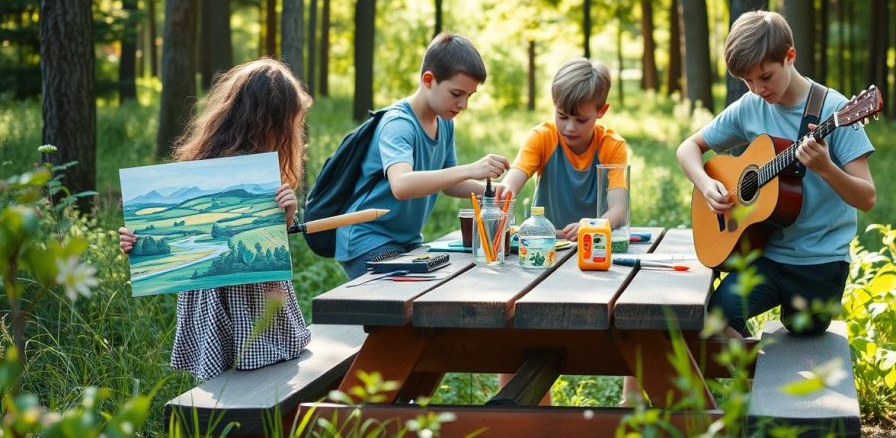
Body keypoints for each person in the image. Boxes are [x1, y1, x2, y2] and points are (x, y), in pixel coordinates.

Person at [676, 10, 876, 339]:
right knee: (714, 319)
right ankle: (754, 379)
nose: (757, 88)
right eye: (747, 81)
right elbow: (688, 148)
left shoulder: (836, 111)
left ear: (790, 56)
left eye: (765, 77)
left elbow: (867, 197)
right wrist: (706, 184)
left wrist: (826, 169)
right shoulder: (750, 106)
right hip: (765, 254)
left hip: (820, 261)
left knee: (805, 337)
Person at [118, 58, 313, 380]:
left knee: (255, 377)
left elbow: (270, 235)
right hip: (226, 293)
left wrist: (287, 213)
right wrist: (135, 242)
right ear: (272, 122)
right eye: (290, 123)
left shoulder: (260, 172)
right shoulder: (212, 169)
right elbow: (167, 236)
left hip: (251, 291)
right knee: (244, 380)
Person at [335, 32, 510, 278]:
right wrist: (472, 168)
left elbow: (449, 184)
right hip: (369, 239)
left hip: (406, 241)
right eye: (456, 94)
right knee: (400, 306)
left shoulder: (445, 122)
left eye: (469, 96)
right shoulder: (398, 124)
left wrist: (491, 192)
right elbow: (401, 185)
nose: (463, 105)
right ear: (428, 80)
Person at [501, 58, 628, 241]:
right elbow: (511, 184)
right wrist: (506, 192)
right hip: (546, 245)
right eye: (562, 116)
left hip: (593, 244)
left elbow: (619, 210)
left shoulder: (612, 146)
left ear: (602, 111)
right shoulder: (542, 137)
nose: (569, 127)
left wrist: (590, 227)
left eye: (581, 120)